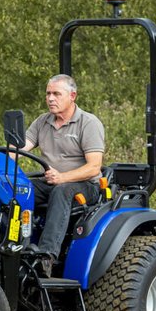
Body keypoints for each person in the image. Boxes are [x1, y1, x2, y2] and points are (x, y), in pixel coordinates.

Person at [22, 74, 105, 262]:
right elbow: (21, 148)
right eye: (48, 93)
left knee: (61, 191)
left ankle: (46, 256)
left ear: (72, 96)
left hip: (85, 186)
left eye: (56, 94)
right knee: (19, 189)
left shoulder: (89, 123)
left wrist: (63, 177)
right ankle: (18, 246)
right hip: (51, 181)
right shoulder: (42, 121)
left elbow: (93, 167)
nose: (50, 98)